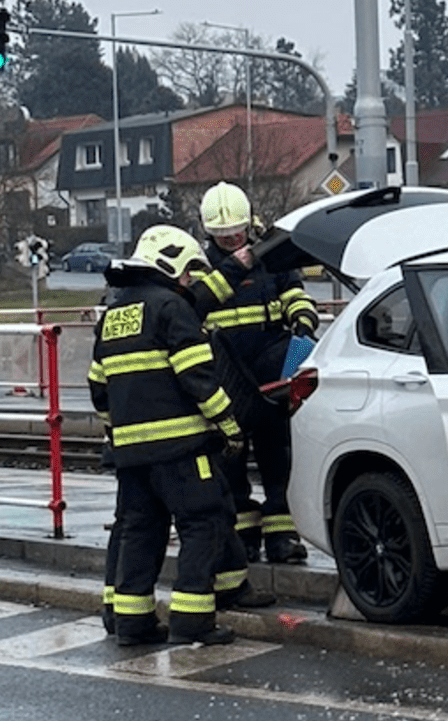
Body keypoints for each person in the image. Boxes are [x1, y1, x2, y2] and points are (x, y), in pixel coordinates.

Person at [90, 225, 245, 646]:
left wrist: (120, 432)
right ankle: (193, 621)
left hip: (130, 455)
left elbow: (99, 390)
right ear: (170, 264)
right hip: (182, 449)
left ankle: (133, 624)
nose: (190, 281)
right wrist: (230, 427)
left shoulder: (113, 314)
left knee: (140, 531)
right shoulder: (173, 309)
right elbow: (199, 380)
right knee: (204, 522)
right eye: (187, 273)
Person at [193, 181, 317, 565]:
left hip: (271, 371)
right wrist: (232, 267)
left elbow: (294, 291)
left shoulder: (269, 256)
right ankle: (244, 537)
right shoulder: (199, 267)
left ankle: (282, 538)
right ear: (208, 232)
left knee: (278, 455)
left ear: (249, 225)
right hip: (227, 378)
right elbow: (194, 307)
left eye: (237, 232)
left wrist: (303, 321)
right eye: (222, 235)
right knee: (230, 462)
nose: (231, 239)